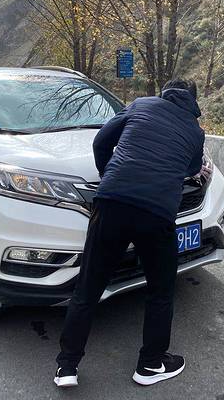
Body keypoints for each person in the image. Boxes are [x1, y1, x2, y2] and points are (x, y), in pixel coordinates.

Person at [54, 80, 205, 388]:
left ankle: (67, 367)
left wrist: (108, 174)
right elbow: (190, 169)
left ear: (164, 93)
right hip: (157, 213)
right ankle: (150, 364)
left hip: (112, 203)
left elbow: (101, 142)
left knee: (88, 287)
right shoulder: (195, 131)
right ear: (193, 101)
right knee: (160, 291)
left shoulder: (140, 105)